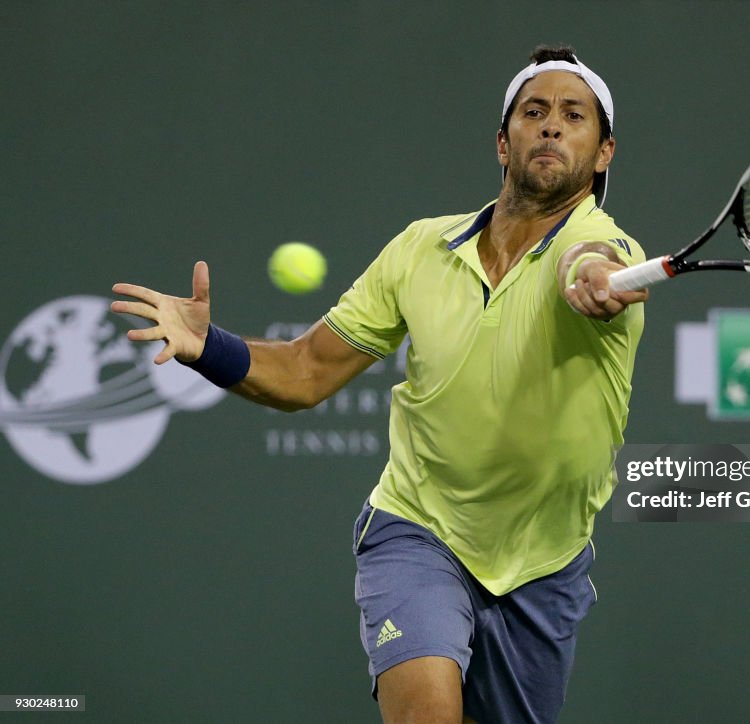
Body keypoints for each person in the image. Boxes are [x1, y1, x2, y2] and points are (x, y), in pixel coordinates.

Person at [112, 44, 648, 724]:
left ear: (603, 153)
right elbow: (306, 372)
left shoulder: (610, 250)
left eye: (574, 116)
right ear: (502, 142)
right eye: (534, 111)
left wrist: (594, 276)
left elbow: (590, 261)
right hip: (418, 529)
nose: (550, 125)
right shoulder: (420, 248)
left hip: (543, 564)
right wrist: (204, 348)